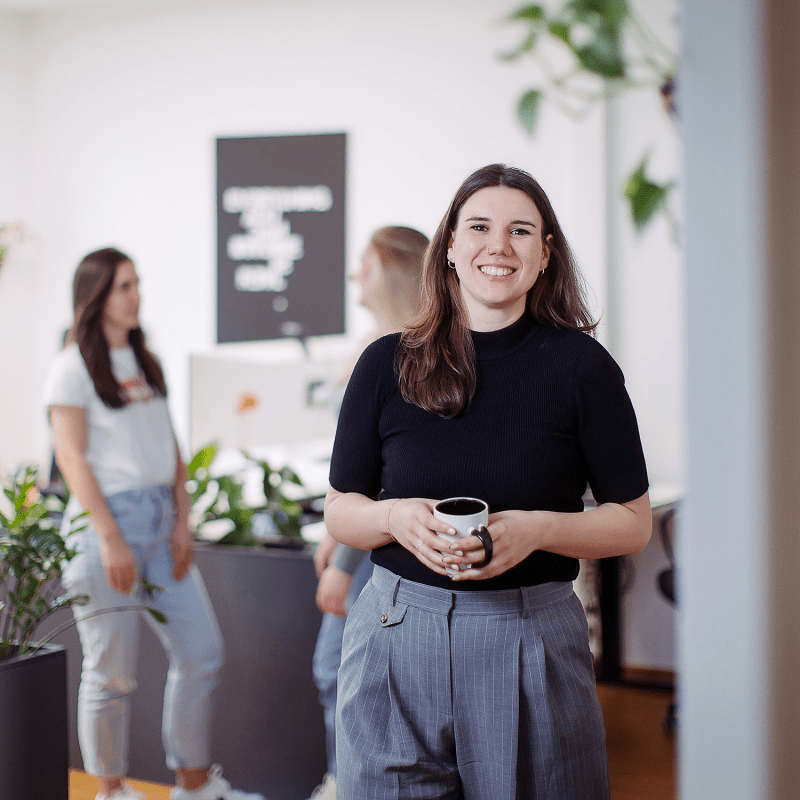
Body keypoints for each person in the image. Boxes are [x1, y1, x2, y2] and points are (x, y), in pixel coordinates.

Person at [323, 164, 652, 800]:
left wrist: (537, 531)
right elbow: (342, 511)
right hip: (394, 636)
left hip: (530, 634)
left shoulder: (583, 368)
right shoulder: (384, 363)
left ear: (545, 254)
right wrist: (393, 518)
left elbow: (632, 521)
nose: (497, 246)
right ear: (449, 245)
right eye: (479, 227)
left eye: (520, 231)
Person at [44, 247, 265, 800]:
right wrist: (111, 538)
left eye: (137, 283)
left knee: (201, 653)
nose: (135, 294)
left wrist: (183, 521)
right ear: (94, 296)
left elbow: (172, 449)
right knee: (112, 672)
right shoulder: (72, 366)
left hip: (162, 524)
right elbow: (71, 458)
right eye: (123, 286)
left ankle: (192, 784)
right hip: (106, 530)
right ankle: (112, 791)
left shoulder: (147, 363)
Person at [308, 226, 429, 800]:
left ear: (391, 267)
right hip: (359, 534)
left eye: (364, 261)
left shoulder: (409, 350)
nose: (355, 273)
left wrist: (344, 560)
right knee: (341, 673)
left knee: (342, 672)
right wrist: (336, 531)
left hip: (382, 548)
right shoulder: (373, 342)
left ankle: (348, 785)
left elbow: (390, 475)